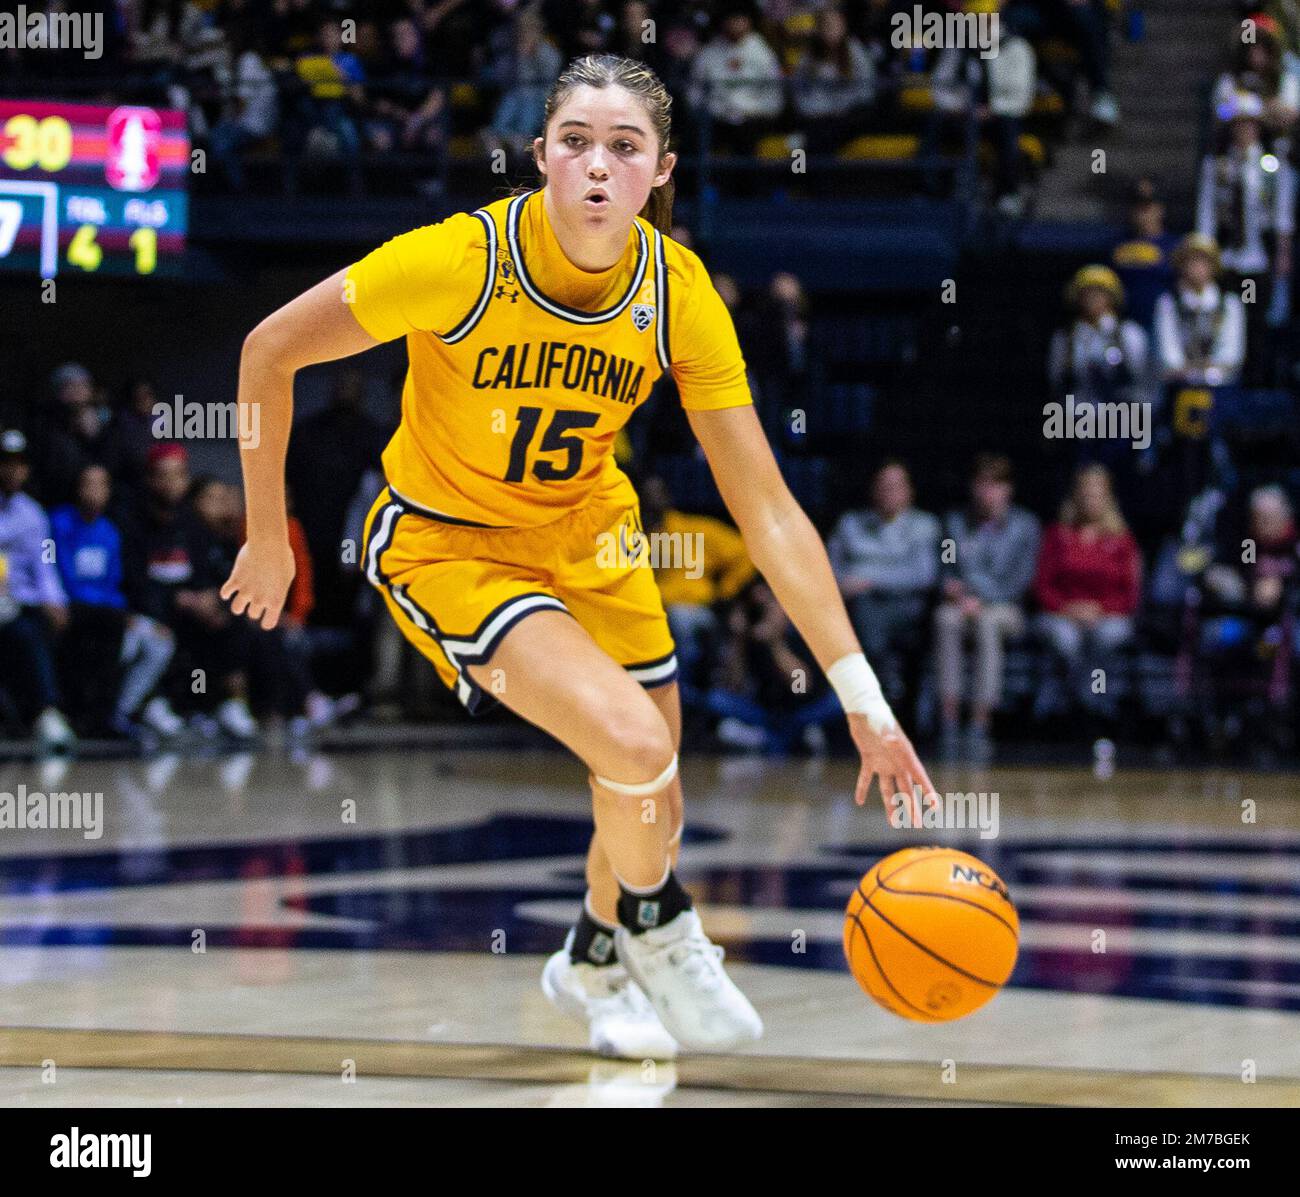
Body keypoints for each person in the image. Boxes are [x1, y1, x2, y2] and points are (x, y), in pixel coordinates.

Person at [221, 53, 935, 1061]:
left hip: (590, 531)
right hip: (451, 541)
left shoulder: (677, 292)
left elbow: (766, 507)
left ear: (661, 172)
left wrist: (862, 698)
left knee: (656, 790)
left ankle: (593, 959)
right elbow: (267, 351)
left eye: (625, 147)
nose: (599, 166)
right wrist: (265, 533)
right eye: (576, 143)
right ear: (541, 158)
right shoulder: (457, 260)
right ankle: (660, 923)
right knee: (634, 749)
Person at [50, 463, 181, 739]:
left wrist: (124, 613)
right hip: (72, 606)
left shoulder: (109, 531)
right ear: (76, 488)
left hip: (109, 610)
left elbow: (114, 581)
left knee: (160, 640)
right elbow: (63, 575)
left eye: (101, 485)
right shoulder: (60, 523)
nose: (94, 491)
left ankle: (119, 712)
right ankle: (82, 714)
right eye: (88, 484)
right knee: (109, 630)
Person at [933, 454, 1040, 759]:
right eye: (981, 484)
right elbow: (945, 568)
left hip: (1006, 608)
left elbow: (1021, 582)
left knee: (987, 623)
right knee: (944, 619)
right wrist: (951, 588)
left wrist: (978, 598)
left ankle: (980, 720)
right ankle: (950, 718)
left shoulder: (1025, 527)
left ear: (1008, 489)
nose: (987, 492)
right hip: (961, 605)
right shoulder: (955, 523)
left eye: (995, 485)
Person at [1032, 464, 1142, 731]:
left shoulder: (1122, 541)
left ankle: (1089, 706)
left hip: (1108, 616)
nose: (1090, 500)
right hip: (1061, 614)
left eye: (1096, 494)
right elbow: (1041, 586)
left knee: (1107, 636)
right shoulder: (1058, 535)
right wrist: (1067, 609)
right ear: (1075, 496)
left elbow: (1130, 594)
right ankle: (1078, 707)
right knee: (1065, 640)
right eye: (1085, 494)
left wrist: (1100, 610)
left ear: (1107, 498)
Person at [827, 460, 941, 716]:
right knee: (860, 612)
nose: (889, 492)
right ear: (872, 490)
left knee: (869, 617)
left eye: (896, 486)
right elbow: (830, 569)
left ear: (909, 491)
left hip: (907, 607)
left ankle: (879, 701)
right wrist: (848, 584)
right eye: (883, 485)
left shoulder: (925, 526)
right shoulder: (850, 524)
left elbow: (924, 575)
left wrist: (867, 579)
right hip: (855, 604)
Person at [0, 429, 75, 749]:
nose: (12, 470)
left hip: (20, 602)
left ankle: (47, 713)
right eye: (6, 463)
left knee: (37, 628)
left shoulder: (32, 513)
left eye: (19, 464)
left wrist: (54, 601)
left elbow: (45, 564)